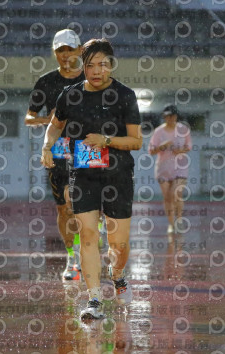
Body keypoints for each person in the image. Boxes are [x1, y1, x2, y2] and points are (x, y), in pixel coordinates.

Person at [41, 38, 142, 320]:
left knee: (118, 244)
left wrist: (106, 140)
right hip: (83, 175)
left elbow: (136, 141)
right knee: (87, 235)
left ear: (111, 65)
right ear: (82, 66)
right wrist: (47, 146)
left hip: (118, 176)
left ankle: (118, 274)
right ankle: (94, 298)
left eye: (103, 64)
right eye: (91, 65)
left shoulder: (124, 95)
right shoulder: (70, 95)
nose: (97, 71)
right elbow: (55, 126)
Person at [25, 28, 85, 280]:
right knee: (65, 208)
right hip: (58, 148)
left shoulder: (92, 78)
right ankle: (73, 256)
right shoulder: (46, 82)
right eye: (60, 50)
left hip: (88, 146)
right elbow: (29, 117)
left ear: (80, 50)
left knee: (86, 205)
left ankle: (89, 242)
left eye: (70, 49)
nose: (65, 55)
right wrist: (45, 120)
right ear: (54, 53)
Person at [148, 104, 192, 234]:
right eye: (167, 116)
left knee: (176, 193)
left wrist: (180, 150)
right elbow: (151, 150)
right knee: (167, 197)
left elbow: (189, 146)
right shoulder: (159, 131)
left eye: (172, 116)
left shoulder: (183, 129)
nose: (170, 118)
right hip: (163, 168)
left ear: (176, 116)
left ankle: (179, 220)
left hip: (180, 168)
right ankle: (171, 224)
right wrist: (162, 146)